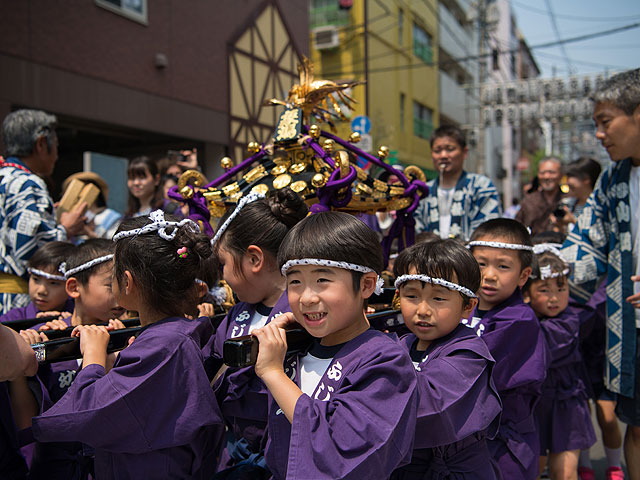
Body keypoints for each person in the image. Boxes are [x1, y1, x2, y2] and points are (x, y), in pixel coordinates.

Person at [32, 211, 225, 479]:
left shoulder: (163, 346)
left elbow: (87, 413)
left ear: (127, 282)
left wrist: (94, 357)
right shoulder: (170, 337)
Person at [251, 211, 417, 479]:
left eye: (322, 280)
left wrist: (273, 374)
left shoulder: (386, 361)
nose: (306, 298)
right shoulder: (294, 350)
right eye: (295, 282)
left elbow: (341, 450)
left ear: (366, 285)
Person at [561, 68, 640, 480]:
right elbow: (584, 247)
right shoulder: (613, 178)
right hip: (632, 328)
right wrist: (538, 285)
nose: (598, 135)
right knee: (638, 425)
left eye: (605, 122)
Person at [209, 189, 308, 477]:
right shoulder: (237, 313)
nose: (223, 277)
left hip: (283, 455)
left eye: (223, 264)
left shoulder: (306, 316)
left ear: (254, 259)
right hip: (233, 453)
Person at [390, 239, 502, 479]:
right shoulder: (400, 345)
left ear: (468, 306)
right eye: (412, 296)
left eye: (438, 299)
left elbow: (427, 402)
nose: (422, 310)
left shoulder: (469, 353)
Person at [13, 239, 125, 480]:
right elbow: (27, 422)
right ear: (74, 287)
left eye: (125, 283)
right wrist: (23, 359)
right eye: (110, 284)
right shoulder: (48, 338)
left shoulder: (126, 337)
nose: (121, 293)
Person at [465, 218, 549, 480]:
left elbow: (471, 373)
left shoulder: (519, 320)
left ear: (524, 275)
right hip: (470, 439)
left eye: (503, 266)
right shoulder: (464, 307)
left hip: (503, 443)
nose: (489, 275)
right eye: (480, 264)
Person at [0, 109, 87, 314]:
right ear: (41, 144)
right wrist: (65, 229)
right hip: (14, 301)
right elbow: (28, 250)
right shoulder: (28, 183)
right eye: (56, 146)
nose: (56, 155)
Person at [522, 244, 597, 480]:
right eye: (544, 289)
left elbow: (541, 349)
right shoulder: (521, 317)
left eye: (561, 288)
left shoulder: (568, 321)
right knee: (532, 469)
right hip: (532, 405)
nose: (554, 298)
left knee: (564, 473)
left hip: (566, 403)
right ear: (526, 293)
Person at [413, 125, 501, 240]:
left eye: (450, 149)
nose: (443, 156)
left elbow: (489, 229)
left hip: (469, 257)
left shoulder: (481, 186)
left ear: (464, 152)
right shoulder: (423, 191)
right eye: (437, 151)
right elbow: (415, 229)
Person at [0, 241, 75, 323]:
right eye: (36, 279)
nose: (41, 291)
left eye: (53, 283)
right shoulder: (13, 318)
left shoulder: (80, 319)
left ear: (72, 287)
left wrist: (70, 323)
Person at [61, 172, 122, 241]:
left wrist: (89, 234)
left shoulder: (110, 217)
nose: (80, 193)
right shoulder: (66, 218)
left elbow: (115, 246)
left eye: (85, 188)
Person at [551, 157, 602, 237]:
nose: (567, 182)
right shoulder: (567, 204)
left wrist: (573, 221)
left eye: (570, 176)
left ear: (586, 179)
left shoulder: (600, 205)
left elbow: (599, 236)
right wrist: (560, 226)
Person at [516, 157, 565, 237]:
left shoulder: (568, 200)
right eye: (542, 173)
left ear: (561, 175)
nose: (546, 176)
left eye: (551, 172)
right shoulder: (529, 201)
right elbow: (517, 228)